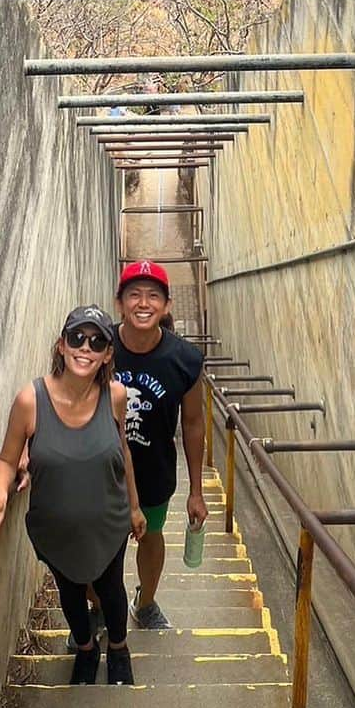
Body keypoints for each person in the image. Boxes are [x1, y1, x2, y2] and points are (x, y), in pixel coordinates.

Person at [0, 305, 146, 685]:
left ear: (107, 354)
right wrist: (0, 492)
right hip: (55, 529)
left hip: (108, 522)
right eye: (77, 338)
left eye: (97, 341)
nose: (86, 347)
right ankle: (85, 647)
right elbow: (6, 457)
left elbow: (124, 452)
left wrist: (134, 507)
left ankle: (118, 647)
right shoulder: (30, 400)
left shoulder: (115, 395)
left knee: (111, 590)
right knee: (69, 591)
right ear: (61, 345)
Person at [112, 260, 208, 628]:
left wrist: (196, 491)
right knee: (101, 550)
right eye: (134, 294)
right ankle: (100, 608)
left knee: (151, 537)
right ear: (119, 302)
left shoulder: (184, 359)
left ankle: (145, 602)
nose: (143, 303)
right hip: (102, 470)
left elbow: (194, 424)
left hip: (155, 472)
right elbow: (63, 396)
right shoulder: (97, 345)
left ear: (166, 305)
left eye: (153, 295)